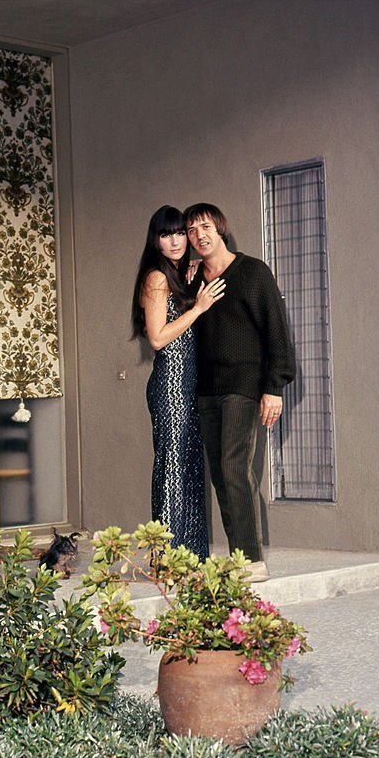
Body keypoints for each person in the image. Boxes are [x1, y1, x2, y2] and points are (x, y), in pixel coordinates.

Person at [184, 203, 296, 582]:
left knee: (235, 467)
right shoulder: (194, 280)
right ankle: (238, 559)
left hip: (244, 387)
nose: (199, 234)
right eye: (191, 230)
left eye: (205, 226)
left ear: (220, 229)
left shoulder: (252, 272)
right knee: (221, 474)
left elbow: (276, 332)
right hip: (207, 390)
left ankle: (251, 561)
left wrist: (274, 388)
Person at [131, 205, 226, 558]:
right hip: (170, 383)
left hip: (187, 385)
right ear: (155, 240)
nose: (175, 241)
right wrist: (198, 308)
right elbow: (157, 338)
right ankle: (167, 559)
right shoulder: (156, 278)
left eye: (179, 233)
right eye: (166, 234)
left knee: (190, 468)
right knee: (171, 467)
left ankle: (191, 556)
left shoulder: (175, 275)